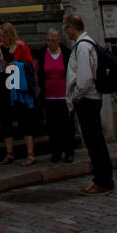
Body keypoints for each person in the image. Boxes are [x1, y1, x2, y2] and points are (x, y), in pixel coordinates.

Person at [64, 12, 114, 195]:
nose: (66, 32)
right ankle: (103, 178)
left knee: (94, 142)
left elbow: (84, 79)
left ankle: (102, 181)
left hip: (87, 100)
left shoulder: (83, 47)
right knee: (95, 140)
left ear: (72, 27)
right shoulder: (87, 43)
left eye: (67, 28)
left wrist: (75, 96)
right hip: (91, 99)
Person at [0, 21, 38, 165]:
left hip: (17, 88)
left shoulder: (21, 46)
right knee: (5, 121)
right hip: (2, 88)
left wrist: (15, 65)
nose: (1, 39)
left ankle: (30, 154)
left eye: (4, 36)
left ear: (10, 35)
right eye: (0, 36)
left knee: (24, 120)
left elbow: (29, 67)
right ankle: (9, 153)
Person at [35, 27, 75, 164]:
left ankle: (69, 152)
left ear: (59, 41)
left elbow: (72, 72)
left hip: (64, 97)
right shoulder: (42, 54)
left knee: (67, 126)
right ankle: (56, 152)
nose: (50, 43)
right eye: (48, 40)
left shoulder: (66, 53)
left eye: (53, 40)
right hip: (49, 97)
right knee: (53, 127)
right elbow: (37, 72)